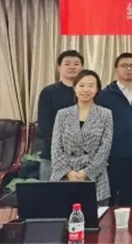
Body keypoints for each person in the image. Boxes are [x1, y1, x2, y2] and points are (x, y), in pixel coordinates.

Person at [96, 53, 132, 206]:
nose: (129, 69)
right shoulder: (104, 95)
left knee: (130, 199)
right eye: (124, 65)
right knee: (107, 199)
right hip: (110, 157)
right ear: (116, 69)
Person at [51, 70, 113, 205]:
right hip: (65, 178)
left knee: (97, 217)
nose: (86, 89)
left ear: (97, 89)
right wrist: (68, 173)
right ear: (75, 88)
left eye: (91, 86)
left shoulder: (105, 114)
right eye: (82, 85)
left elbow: (105, 148)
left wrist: (86, 173)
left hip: (95, 178)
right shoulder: (62, 114)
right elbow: (56, 147)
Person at [37, 50, 84, 181]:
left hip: (82, 158)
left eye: (76, 64)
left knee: (82, 194)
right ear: (59, 68)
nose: (72, 67)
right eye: (67, 64)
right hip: (53, 156)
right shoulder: (48, 92)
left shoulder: (88, 92)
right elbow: (45, 125)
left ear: (82, 68)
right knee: (50, 193)